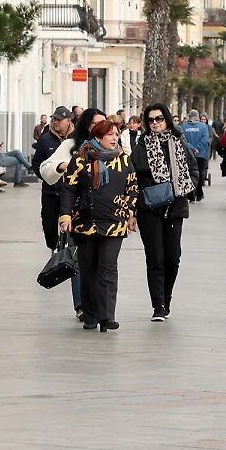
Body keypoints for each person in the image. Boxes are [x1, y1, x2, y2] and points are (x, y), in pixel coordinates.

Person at [59, 119, 139, 331]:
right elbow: (68, 188)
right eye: (110, 134)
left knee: (108, 268)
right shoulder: (81, 159)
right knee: (88, 270)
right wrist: (65, 216)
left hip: (114, 223)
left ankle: (107, 316)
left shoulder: (123, 159)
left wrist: (130, 214)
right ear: (98, 136)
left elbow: (132, 187)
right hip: (86, 223)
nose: (115, 139)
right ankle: (91, 316)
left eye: (117, 135)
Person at [131, 103, 197, 322]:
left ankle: (166, 298)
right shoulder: (141, 147)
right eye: (150, 120)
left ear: (167, 119)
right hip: (149, 208)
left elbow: (193, 169)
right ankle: (158, 305)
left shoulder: (179, 143)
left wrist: (188, 187)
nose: (155, 123)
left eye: (159, 118)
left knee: (173, 258)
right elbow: (133, 178)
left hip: (176, 206)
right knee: (155, 257)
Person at [31, 106, 82, 318]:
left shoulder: (76, 142)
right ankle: (56, 251)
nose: (56, 122)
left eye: (60, 120)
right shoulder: (46, 140)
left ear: (69, 121)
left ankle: (67, 258)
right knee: (49, 229)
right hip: (51, 194)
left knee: (71, 240)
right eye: (54, 119)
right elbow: (38, 164)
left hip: (71, 197)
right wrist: (49, 177)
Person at [180, 110, 210, 203]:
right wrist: (197, 148)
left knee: (188, 173)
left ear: (189, 116)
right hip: (200, 154)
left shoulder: (184, 127)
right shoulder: (203, 126)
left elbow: (183, 140)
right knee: (200, 173)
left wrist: (192, 149)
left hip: (187, 154)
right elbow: (205, 138)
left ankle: (190, 194)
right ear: (198, 116)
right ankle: (199, 193)